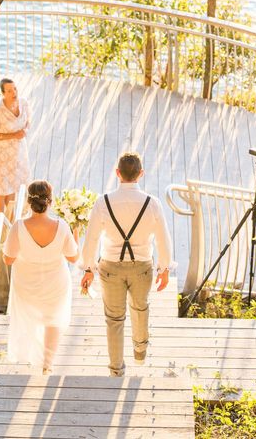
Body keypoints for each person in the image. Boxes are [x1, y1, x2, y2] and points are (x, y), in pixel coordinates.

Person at [80, 152, 173, 377]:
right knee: (140, 308)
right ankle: (140, 351)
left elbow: (91, 239)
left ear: (117, 173)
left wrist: (88, 269)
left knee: (114, 319)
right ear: (141, 174)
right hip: (142, 267)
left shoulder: (103, 202)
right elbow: (163, 239)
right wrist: (164, 269)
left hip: (110, 267)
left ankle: (116, 370)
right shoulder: (152, 204)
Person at [2, 181, 79, 374]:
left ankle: (32, 356)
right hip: (55, 284)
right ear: (50, 201)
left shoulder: (18, 227)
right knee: (52, 321)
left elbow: (8, 260)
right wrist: (75, 234)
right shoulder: (62, 226)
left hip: (27, 285)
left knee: (32, 317)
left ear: (28, 201)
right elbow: (73, 257)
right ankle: (47, 363)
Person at [0, 78, 31, 214]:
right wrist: (13, 135)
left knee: (13, 187)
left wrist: (25, 130)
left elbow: (28, 119)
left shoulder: (23, 103)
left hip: (19, 154)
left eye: (15, 89)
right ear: (3, 93)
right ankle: (1, 219)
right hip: (2, 156)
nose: (14, 93)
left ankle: (10, 217)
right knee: (2, 190)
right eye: (9, 90)